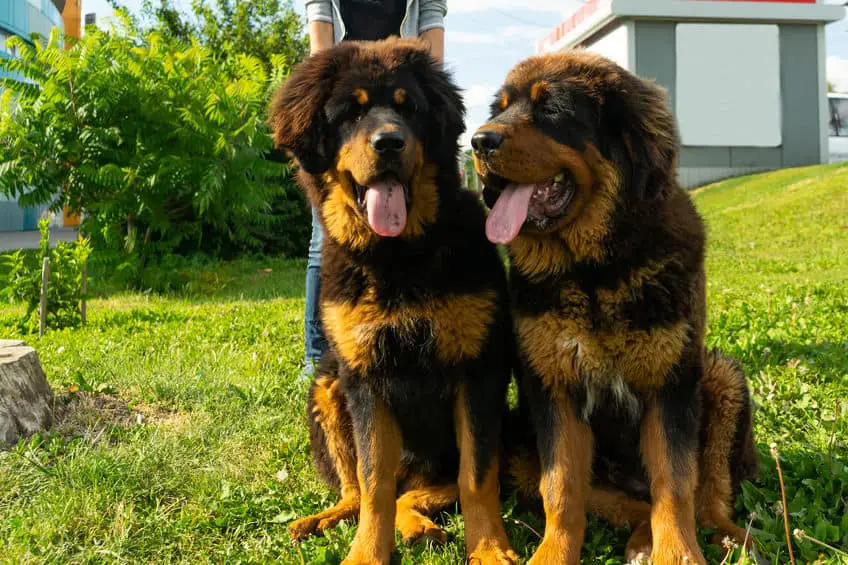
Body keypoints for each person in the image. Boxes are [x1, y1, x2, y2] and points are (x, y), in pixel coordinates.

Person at [299, 0, 447, 381]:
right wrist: (333, 89)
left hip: (403, 83)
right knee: (323, 244)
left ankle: (424, 343)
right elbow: (320, 29)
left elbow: (431, 23)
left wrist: (428, 89)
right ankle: (318, 353)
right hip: (348, 84)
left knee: (430, 237)